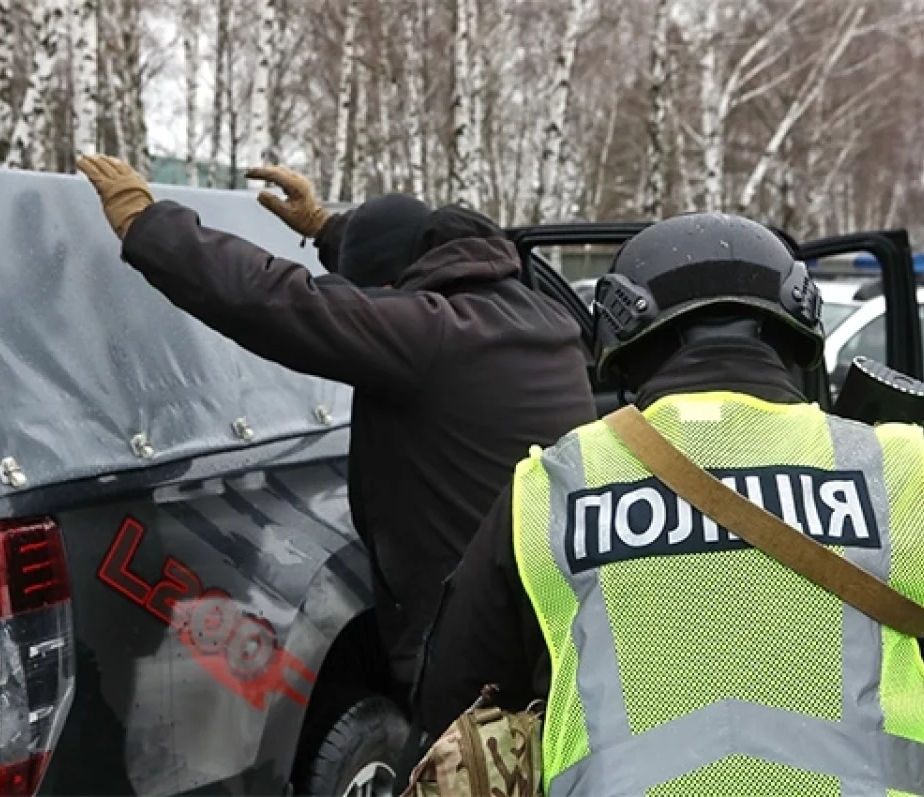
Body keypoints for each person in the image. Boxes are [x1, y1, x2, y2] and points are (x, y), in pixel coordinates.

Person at [416, 212, 924, 795]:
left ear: (623, 344)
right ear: (797, 330)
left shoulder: (550, 487)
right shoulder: (910, 471)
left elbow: (450, 702)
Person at [75, 154, 597, 700]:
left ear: (396, 285)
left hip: (475, 649)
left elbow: (279, 300)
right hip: (557, 620)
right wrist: (327, 228)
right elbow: (394, 262)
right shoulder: (544, 318)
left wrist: (149, 226)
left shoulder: (430, 336)